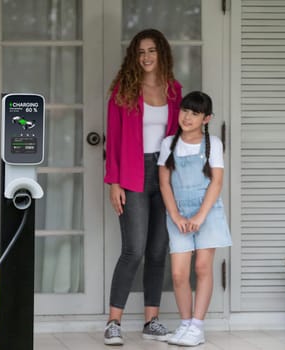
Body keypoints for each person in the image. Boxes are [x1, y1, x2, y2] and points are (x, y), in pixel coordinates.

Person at [103, 28, 182, 346]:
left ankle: (152, 320)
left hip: (165, 176)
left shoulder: (174, 90)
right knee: (133, 249)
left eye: (152, 50)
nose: (146, 57)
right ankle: (113, 323)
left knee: (158, 250)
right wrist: (114, 182)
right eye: (141, 52)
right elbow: (113, 138)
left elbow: (181, 135)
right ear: (134, 57)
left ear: (161, 53)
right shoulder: (124, 90)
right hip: (133, 175)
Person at [158, 91, 232, 347]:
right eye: (185, 111)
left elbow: (217, 182)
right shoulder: (169, 143)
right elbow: (165, 184)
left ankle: (198, 327)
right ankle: (186, 323)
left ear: (206, 118)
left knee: (202, 267)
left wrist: (201, 216)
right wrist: (175, 215)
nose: (187, 117)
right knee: (179, 274)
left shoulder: (214, 144)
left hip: (207, 212)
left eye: (195, 113)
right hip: (177, 213)